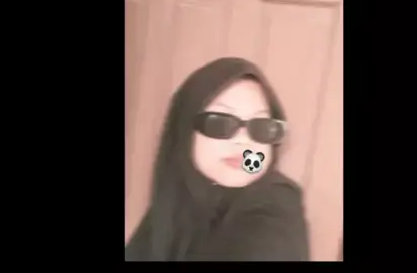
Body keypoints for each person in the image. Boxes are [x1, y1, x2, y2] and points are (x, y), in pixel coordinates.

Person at [125, 57, 310, 261]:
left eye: (261, 127)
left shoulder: (278, 206)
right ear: (184, 131)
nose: (243, 141)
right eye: (220, 123)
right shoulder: (172, 205)